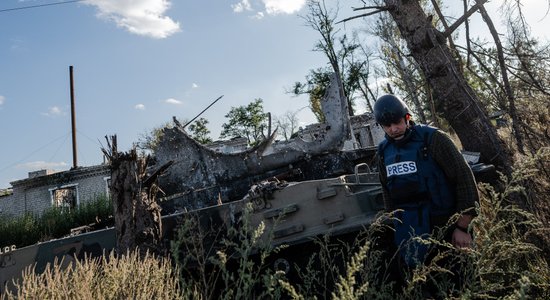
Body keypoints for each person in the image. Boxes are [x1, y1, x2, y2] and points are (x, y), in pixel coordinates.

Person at [373, 94, 478, 273]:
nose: (393, 129)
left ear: (407, 117)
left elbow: (464, 180)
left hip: (448, 229)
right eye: (387, 126)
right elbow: (388, 193)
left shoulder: (434, 139)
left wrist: (463, 227)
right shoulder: (384, 151)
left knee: (462, 281)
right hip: (412, 233)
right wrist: (397, 230)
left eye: (397, 122)